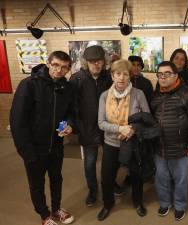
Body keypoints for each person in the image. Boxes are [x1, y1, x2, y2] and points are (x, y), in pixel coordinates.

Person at [10, 51, 75, 225]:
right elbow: (17, 121)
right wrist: (26, 151)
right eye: (55, 65)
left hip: (56, 145)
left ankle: (56, 209)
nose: (59, 70)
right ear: (48, 63)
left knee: (56, 179)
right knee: (37, 184)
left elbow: (69, 112)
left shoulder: (66, 88)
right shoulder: (29, 85)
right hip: (34, 148)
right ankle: (44, 215)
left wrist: (69, 124)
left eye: (64, 67)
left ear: (68, 69)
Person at [96, 59, 150, 221]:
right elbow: (101, 123)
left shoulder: (138, 94)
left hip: (132, 143)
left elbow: (146, 118)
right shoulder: (105, 96)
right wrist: (120, 128)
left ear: (130, 76)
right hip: (111, 143)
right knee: (107, 176)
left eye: (125, 74)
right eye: (117, 74)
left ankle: (138, 202)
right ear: (112, 76)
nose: (121, 78)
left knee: (136, 175)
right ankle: (107, 204)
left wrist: (132, 129)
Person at [151, 61, 188, 221]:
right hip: (159, 146)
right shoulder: (157, 94)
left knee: (181, 180)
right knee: (161, 177)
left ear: (176, 76)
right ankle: (165, 203)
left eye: (167, 73)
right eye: (160, 74)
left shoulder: (186, 93)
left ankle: (180, 205)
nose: (163, 77)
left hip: (181, 147)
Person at [70, 45, 113, 207]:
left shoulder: (109, 78)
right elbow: (72, 106)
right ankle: (93, 190)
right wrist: (77, 127)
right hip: (87, 129)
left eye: (99, 61)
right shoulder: (76, 79)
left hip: (108, 128)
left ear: (104, 62)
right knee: (89, 163)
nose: (96, 64)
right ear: (85, 62)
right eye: (92, 61)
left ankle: (110, 184)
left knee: (110, 161)